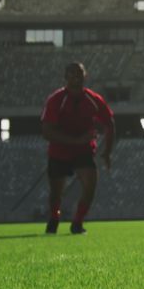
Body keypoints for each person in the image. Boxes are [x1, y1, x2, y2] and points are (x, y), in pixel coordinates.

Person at [41, 62, 116, 234]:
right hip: (59, 151)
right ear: (66, 77)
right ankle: (54, 217)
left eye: (79, 73)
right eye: (72, 74)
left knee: (90, 184)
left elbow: (110, 123)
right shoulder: (56, 100)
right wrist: (75, 140)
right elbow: (46, 131)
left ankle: (77, 222)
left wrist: (107, 152)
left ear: (85, 76)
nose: (76, 77)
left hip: (84, 150)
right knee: (56, 192)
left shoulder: (93, 99)